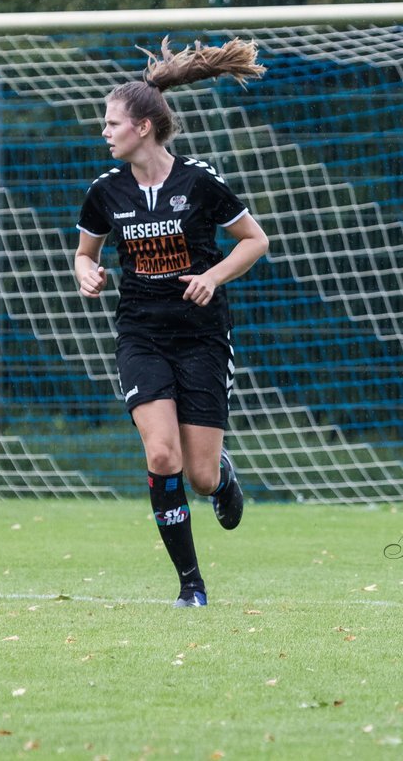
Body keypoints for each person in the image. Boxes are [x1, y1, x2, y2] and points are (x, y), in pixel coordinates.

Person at [74, 37, 270, 606]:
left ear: (143, 127)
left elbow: (254, 241)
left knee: (201, 475)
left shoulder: (199, 182)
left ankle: (223, 476)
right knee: (162, 456)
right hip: (142, 335)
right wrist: (85, 272)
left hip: (202, 337)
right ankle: (191, 585)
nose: (104, 132)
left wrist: (214, 277)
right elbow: (85, 253)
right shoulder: (104, 192)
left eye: (112, 123)